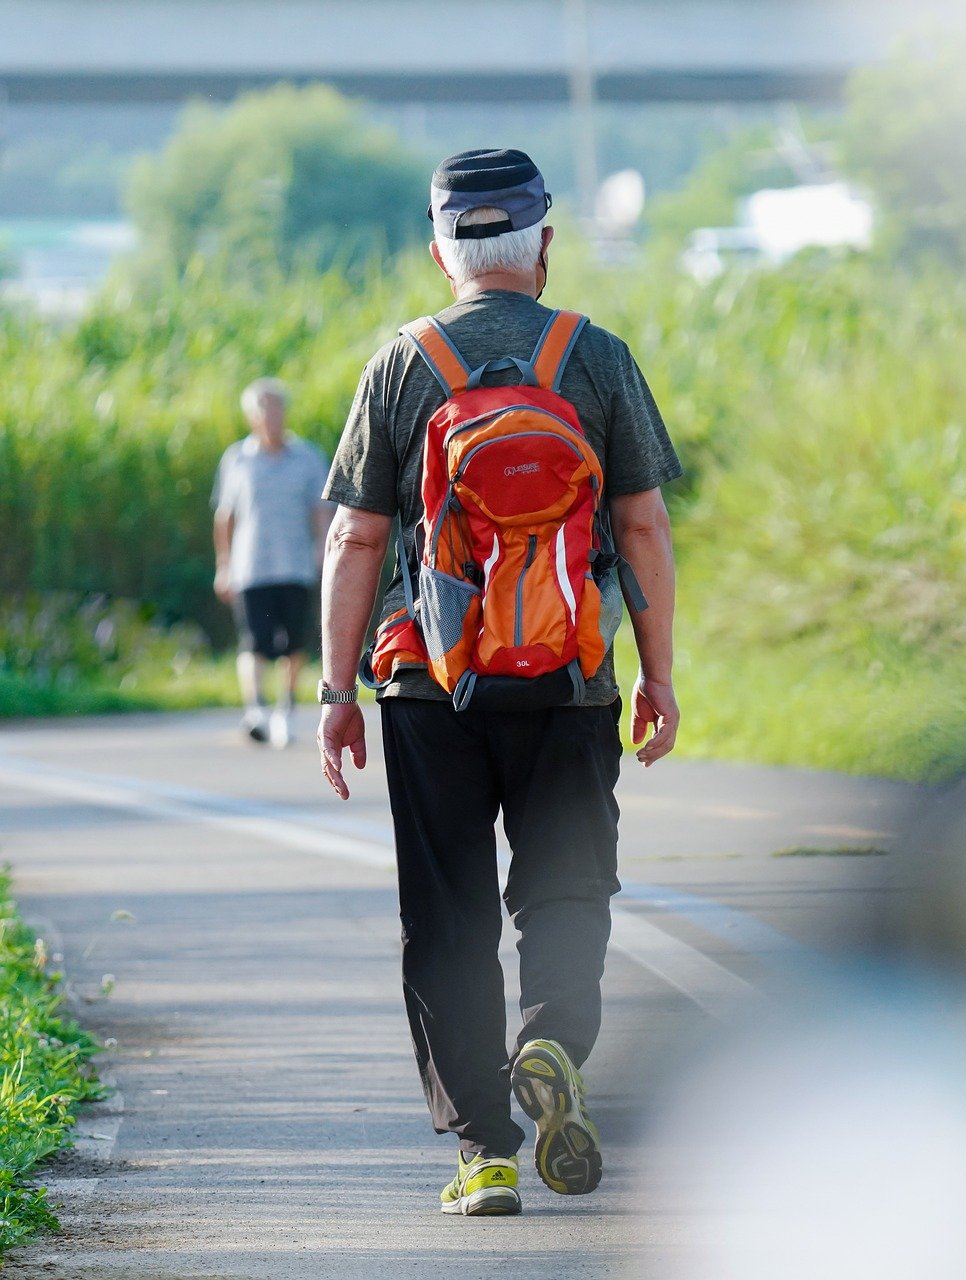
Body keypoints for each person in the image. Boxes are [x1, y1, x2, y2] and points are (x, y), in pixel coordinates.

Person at [316, 148, 682, 1215]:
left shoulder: (401, 361)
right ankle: (552, 1041)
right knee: (565, 885)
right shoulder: (595, 355)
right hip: (569, 677)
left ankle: (480, 1149)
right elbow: (640, 523)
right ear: (545, 244)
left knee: (447, 911)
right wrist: (654, 672)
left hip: (430, 685)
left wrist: (337, 690)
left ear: (440, 252)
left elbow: (354, 536)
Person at [212, 377, 332, 747]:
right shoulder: (237, 459)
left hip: (295, 564)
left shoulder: (307, 457)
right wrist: (224, 564)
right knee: (254, 642)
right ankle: (256, 710)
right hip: (252, 566)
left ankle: (285, 711)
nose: (270, 414)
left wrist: (323, 551)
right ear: (251, 415)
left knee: (294, 643)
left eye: (276, 406)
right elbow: (225, 516)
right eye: (262, 407)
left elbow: (321, 510)